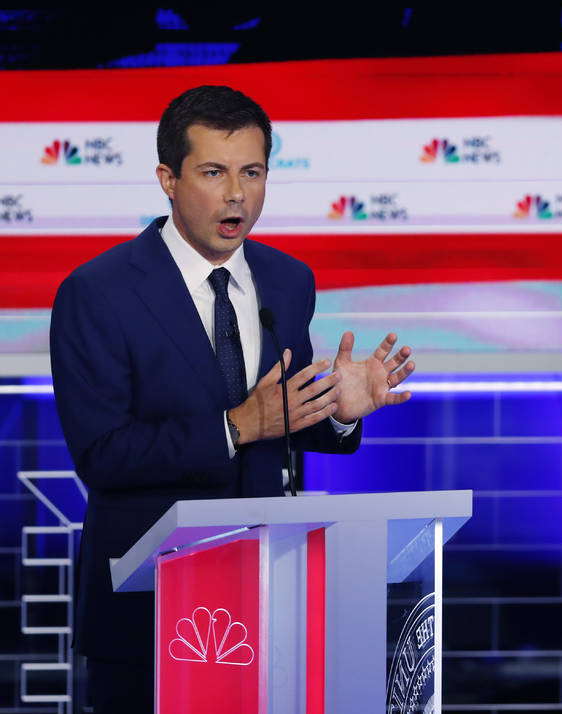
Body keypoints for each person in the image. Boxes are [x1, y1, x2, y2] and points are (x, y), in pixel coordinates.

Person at [49, 85, 415, 712]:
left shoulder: (287, 279)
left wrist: (337, 412)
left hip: (268, 603)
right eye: (214, 173)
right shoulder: (97, 291)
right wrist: (233, 428)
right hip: (149, 613)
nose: (237, 194)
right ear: (168, 178)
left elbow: (282, 415)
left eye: (252, 172)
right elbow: (103, 455)